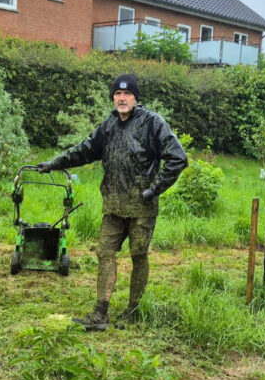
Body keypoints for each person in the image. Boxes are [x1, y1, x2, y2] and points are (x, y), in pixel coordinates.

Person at [37, 73, 187, 330]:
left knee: (139, 255)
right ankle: (100, 314)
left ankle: (133, 311)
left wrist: (154, 190)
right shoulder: (109, 125)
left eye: (127, 94)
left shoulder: (153, 123)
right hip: (114, 205)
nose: (122, 98)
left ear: (136, 98)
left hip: (142, 206)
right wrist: (54, 163)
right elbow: (85, 149)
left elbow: (178, 158)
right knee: (105, 253)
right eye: (117, 94)